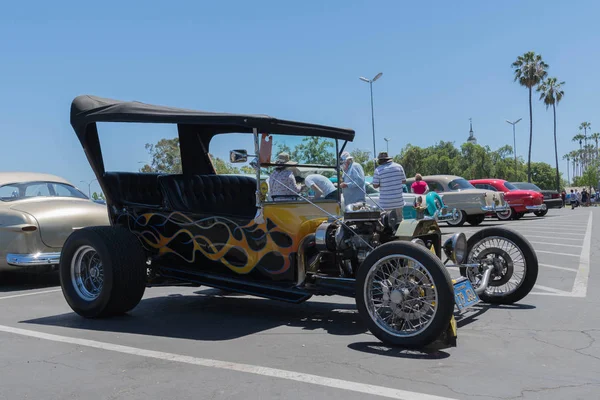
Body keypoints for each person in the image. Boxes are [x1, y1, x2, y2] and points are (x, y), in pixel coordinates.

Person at [372, 152, 407, 220]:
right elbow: (404, 181)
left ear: (380, 160)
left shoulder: (378, 170)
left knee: (386, 224)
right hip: (398, 202)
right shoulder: (399, 166)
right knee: (399, 223)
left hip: (385, 203)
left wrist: (383, 182)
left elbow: (375, 185)